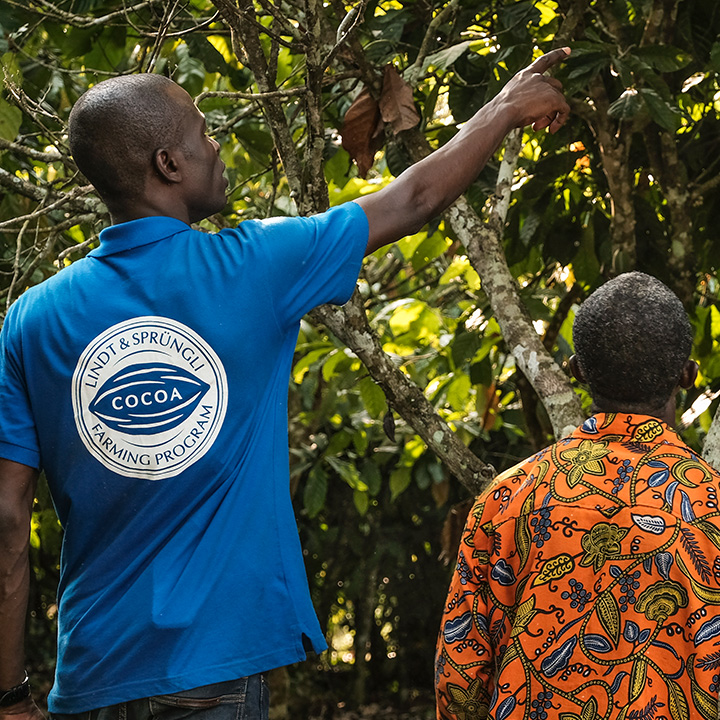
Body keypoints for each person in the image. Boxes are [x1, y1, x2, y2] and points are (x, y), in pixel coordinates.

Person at [0, 48, 571, 720]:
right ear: (168, 165)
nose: (217, 147)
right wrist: (503, 110)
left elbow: (8, 520)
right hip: (215, 673)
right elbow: (414, 198)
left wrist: (8, 694)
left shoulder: (32, 317)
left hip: (91, 676)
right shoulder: (253, 266)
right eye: (203, 132)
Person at [435, 271, 720, 720]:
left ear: (577, 371)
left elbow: (461, 675)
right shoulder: (712, 502)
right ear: (687, 375)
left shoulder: (507, 496)